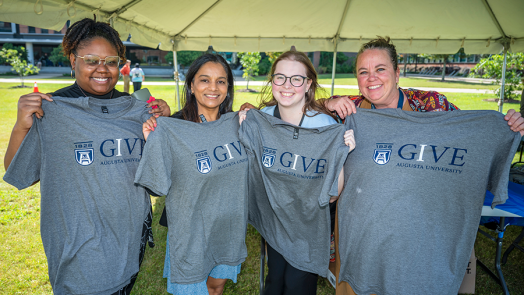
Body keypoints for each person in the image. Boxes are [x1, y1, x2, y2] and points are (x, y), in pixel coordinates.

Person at [324, 36, 524, 295]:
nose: (371, 78)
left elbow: (469, 134)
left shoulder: (433, 105)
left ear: (397, 73)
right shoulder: (349, 111)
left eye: (380, 69)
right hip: (365, 231)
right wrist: (327, 103)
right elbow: (303, 111)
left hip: (426, 225)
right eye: (364, 72)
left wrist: (506, 127)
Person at [3, 18, 170, 295]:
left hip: (129, 239)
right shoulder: (53, 110)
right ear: (73, 59)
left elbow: (157, 174)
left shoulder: (136, 107)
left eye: (112, 61)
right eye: (91, 60)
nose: (102, 69)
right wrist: (22, 125)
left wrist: (159, 124)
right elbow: (18, 172)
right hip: (79, 246)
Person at [238, 50, 355, 295]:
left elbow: (333, 194)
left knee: (296, 285)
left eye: (296, 79)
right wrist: (243, 125)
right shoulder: (262, 119)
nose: (287, 85)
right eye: (280, 77)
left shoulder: (324, 126)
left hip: (309, 224)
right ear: (272, 82)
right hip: (275, 218)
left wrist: (342, 152)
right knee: (275, 283)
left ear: (308, 83)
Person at [137, 54, 247, 295]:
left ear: (228, 87)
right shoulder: (173, 127)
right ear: (191, 85)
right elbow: (155, 187)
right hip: (192, 232)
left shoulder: (239, 124)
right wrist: (152, 140)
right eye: (204, 80)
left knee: (216, 288)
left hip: (228, 227)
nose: (213, 88)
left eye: (221, 81)